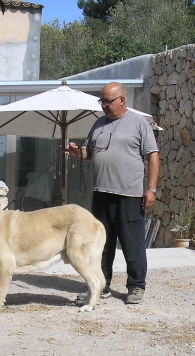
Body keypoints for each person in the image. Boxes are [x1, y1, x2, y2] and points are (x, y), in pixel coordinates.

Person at [66, 82, 160, 305]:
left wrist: (151, 189)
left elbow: (153, 155)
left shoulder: (138, 123)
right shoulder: (98, 124)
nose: (104, 105)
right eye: (102, 101)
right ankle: (101, 284)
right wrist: (77, 152)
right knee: (101, 244)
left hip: (129, 194)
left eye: (108, 101)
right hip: (101, 193)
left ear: (122, 100)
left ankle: (136, 286)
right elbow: (89, 152)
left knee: (132, 243)